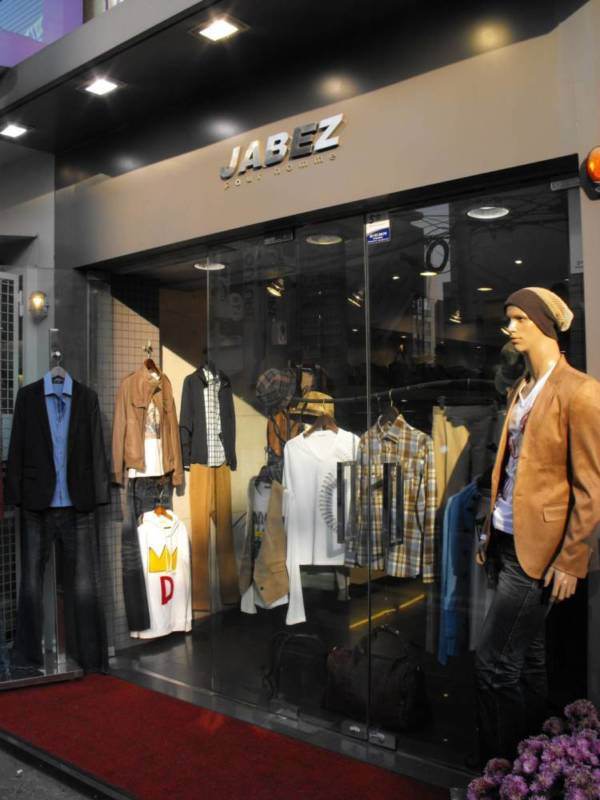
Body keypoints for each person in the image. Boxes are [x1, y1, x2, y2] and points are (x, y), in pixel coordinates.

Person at [474, 286, 600, 764]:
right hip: (506, 537)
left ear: (545, 325)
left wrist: (572, 558)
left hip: (539, 550)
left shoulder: (580, 391)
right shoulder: (522, 389)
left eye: (519, 319)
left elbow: (591, 486)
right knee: (527, 659)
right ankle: (533, 763)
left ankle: (499, 765)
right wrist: (488, 530)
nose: (509, 327)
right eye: (509, 318)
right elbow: (510, 468)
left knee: (493, 663)